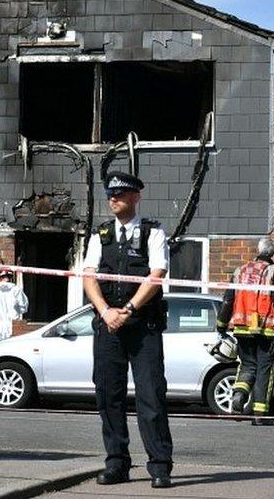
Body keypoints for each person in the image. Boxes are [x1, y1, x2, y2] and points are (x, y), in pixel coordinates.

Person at [82, 171, 173, 490]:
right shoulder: (100, 235)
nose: (113, 198)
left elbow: (157, 273)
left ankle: (160, 465)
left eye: (120, 194)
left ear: (136, 196)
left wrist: (130, 309)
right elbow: (89, 277)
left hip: (142, 326)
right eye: (110, 194)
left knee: (151, 396)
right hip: (108, 325)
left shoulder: (153, 232)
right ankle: (117, 462)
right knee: (109, 395)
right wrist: (106, 311)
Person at [216, 238, 274, 423]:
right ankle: (260, 414)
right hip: (266, 330)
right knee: (265, 369)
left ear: (257, 251)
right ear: (272, 254)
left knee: (247, 365)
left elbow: (228, 300)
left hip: (242, 329)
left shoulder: (239, 271)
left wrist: (221, 325)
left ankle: (238, 398)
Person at [0, 269, 29, 341]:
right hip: (13, 325)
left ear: (0, 277)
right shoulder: (16, 289)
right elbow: (23, 307)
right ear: (11, 277)